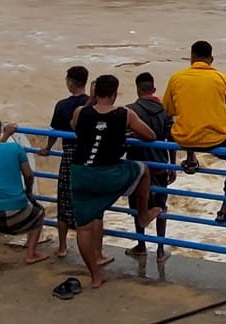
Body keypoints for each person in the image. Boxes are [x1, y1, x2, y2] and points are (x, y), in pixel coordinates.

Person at [64, 74, 162, 292]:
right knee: (143, 169)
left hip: (80, 174)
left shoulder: (81, 112)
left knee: (84, 228)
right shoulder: (125, 113)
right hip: (109, 173)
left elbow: (74, 126)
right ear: (115, 93)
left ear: (95, 93)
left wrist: (90, 101)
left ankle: (96, 276)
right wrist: (126, 131)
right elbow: (150, 135)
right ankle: (143, 214)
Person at [163, 40, 226, 224]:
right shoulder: (223, 80)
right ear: (211, 59)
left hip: (185, 137)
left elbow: (169, 110)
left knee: (187, 123)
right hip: (213, 138)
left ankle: (191, 158)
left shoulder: (176, 78)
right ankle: (225, 209)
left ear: (191, 58)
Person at [0, 117, 49, 270]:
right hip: (16, 214)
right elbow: (28, 175)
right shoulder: (15, 149)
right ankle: (31, 254)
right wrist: (28, 193)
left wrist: (3, 137)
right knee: (39, 212)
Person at [37, 65, 89, 257]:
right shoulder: (91, 105)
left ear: (70, 82)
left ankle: (62, 246)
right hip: (88, 155)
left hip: (68, 154)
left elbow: (54, 132)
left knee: (64, 200)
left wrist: (48, 148)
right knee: (88, 200)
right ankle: (93, 247)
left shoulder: (62, 105)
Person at [125, 72, 175, 261]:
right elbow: (171, 137)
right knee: (160, 206)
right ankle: (161, 250)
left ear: (138, 89)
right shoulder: (165, 110)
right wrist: (172, 164)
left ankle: (141, 244)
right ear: (153, 89)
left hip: (138, 166)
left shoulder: (130, 110)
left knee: (139, 205)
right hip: (160, 164)